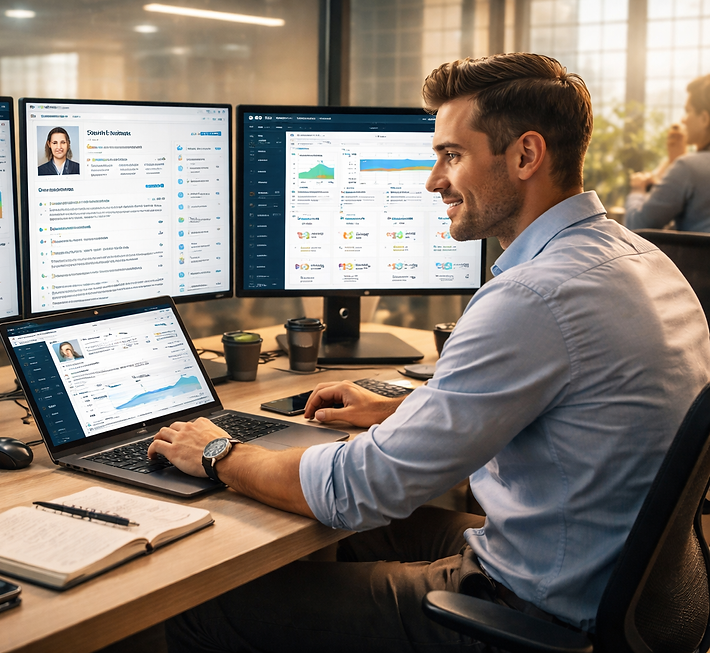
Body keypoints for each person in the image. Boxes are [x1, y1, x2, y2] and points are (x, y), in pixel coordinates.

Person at [147, 52, 710, 652]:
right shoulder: (642, 260)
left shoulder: (533, 296)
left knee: (201, 608)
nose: (433, 180)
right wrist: (399, 411)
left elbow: (360, 488)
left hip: (538, 611)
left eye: (452, 155)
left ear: (526, 155)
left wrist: (219, 453)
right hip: (621, 585)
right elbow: (571, 412)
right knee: (342, 541)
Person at [624, 73, 710, 232]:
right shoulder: (689, 166)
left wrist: (637, 190)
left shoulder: (688, 167)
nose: (683, 120)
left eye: (688, 111)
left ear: (705, 119)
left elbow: (636, 226)